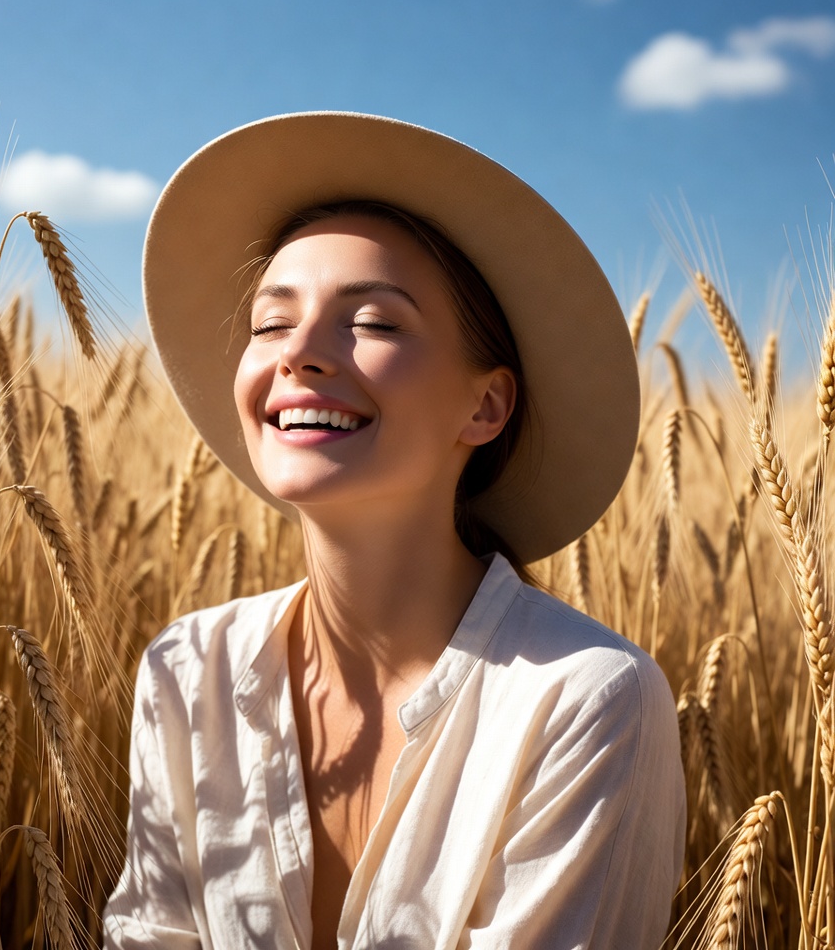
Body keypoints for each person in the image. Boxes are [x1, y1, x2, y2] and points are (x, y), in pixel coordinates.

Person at [103, 112, 686, 950]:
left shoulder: (585, 700)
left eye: (373, 321)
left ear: (484, 406)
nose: (299, 351)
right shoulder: (189, 670)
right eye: (271, 322)